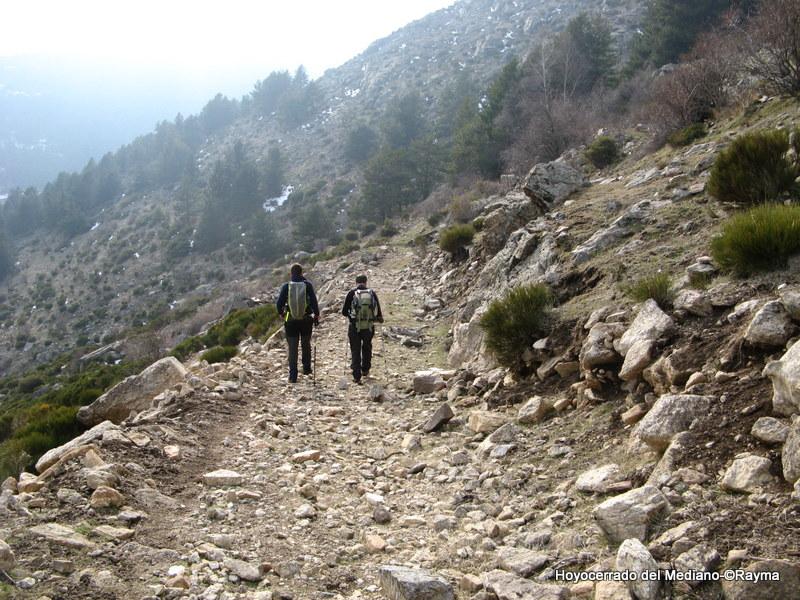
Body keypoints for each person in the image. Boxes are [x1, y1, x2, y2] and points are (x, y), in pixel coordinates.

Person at [276, 264, 320, 383]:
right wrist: (316, 315)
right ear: (302, 273)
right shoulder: (307, 285)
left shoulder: (286, 286)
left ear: (291, 273)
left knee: (293, 347)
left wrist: (282, 314)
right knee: (306, 344)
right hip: (306, 320)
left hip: (290, 321)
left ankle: (293, 376)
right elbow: (314, 303)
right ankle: (306, 369)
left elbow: (279, 304)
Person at [341, 274, 383, 384]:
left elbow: (344, 312)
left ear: (356, 282)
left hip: (354, 326)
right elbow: (378, 313)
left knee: (355, 350)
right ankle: (365, 369)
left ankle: (356, 375)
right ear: (366, 282)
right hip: (368, 326)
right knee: (367, 346)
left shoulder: (351, 293)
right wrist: (378, 319)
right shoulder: (371, 293)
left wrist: (351, 316)